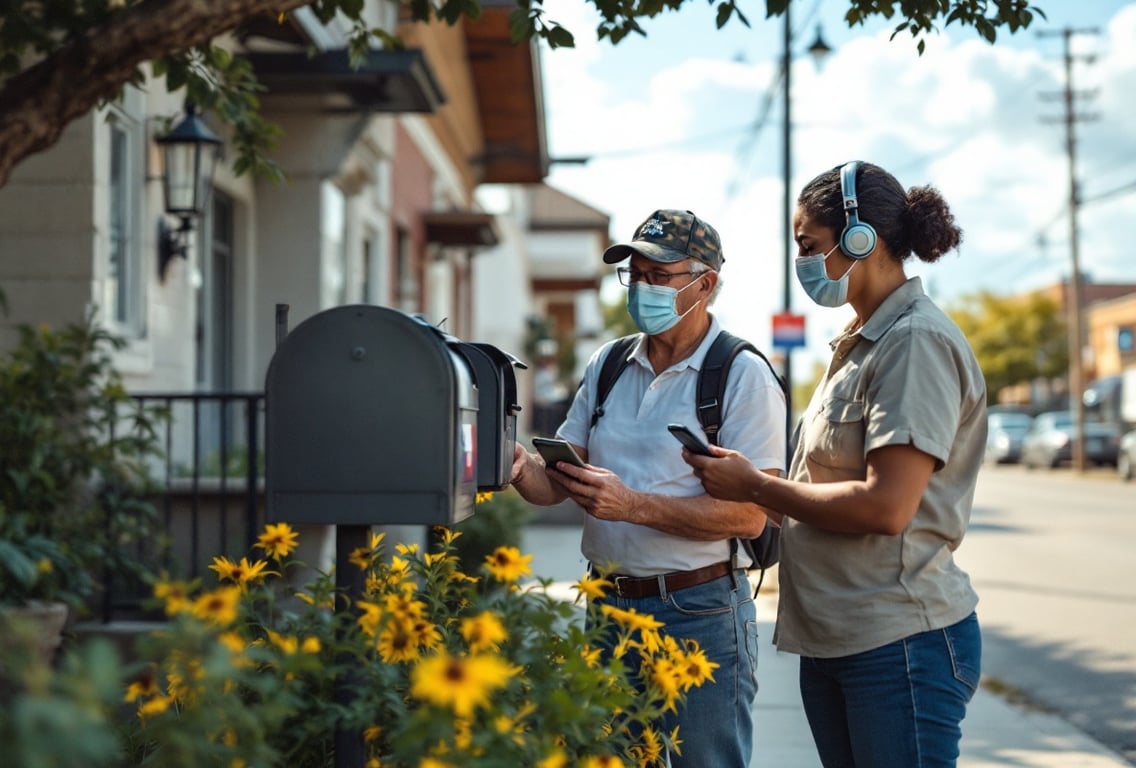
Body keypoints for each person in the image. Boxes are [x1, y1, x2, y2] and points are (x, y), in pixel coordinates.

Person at [684, 161, 987, 768]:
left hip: (897, 644)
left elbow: (886, 505)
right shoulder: (861, 342)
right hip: (840, 638)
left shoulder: (912, 342)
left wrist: (758, 489)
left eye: (808, 246)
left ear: (859, 239)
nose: (802, 262)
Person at [509, 209, 787, 768]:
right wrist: (515, 467)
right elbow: (555, 486)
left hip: (699, 614)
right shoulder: (609, 363)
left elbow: (750, 519)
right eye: (635, 275)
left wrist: (632, 506)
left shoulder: (741, 374)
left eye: (660, 275)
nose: (642, 288)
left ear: (705, 284)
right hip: (608, 607)